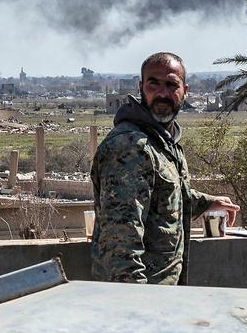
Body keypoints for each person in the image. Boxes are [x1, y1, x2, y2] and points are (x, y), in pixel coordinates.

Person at [90, 51, 239, 284]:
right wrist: (135, 302)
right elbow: (120, 241)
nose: (163, 93)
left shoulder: (163, 141)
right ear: (141, 88)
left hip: (162, 296)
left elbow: (163, 194)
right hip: (142, 300)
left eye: (171, 85)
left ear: (185, 91)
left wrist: (206, 202)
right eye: (154, 84)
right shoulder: (131, 146)